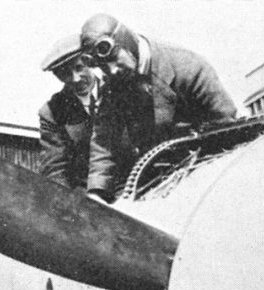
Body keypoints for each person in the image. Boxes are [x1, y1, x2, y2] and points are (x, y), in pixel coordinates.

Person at [80, 13, 237, 203]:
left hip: (203, 179)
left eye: (114, 58)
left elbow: (228, 129)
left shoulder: (189, 67)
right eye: (104, 67)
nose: (112, 70)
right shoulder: (114, 85)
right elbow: (104, 142)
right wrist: (97, 192)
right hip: (153, 185)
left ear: (127, 42)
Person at [38, 34, 100, 189]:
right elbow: (55, 170)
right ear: (58, 77)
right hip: (91, 200)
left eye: (79, 68)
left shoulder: (121, 91)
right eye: (66, 74)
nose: (76, 79)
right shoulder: (52, 112)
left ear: (91, 62)